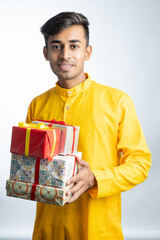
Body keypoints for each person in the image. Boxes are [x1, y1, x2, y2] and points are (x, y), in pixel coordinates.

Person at [26, 12, 151, 240]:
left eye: (74, 46)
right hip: (47, 230)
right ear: (46, 53)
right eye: (56, 46)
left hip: (98, 230)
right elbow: (32, 165)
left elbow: (140, 164)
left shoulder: (117, 101)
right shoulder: (38, 105)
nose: (65, 55)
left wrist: (95, 178)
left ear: (87, 51)